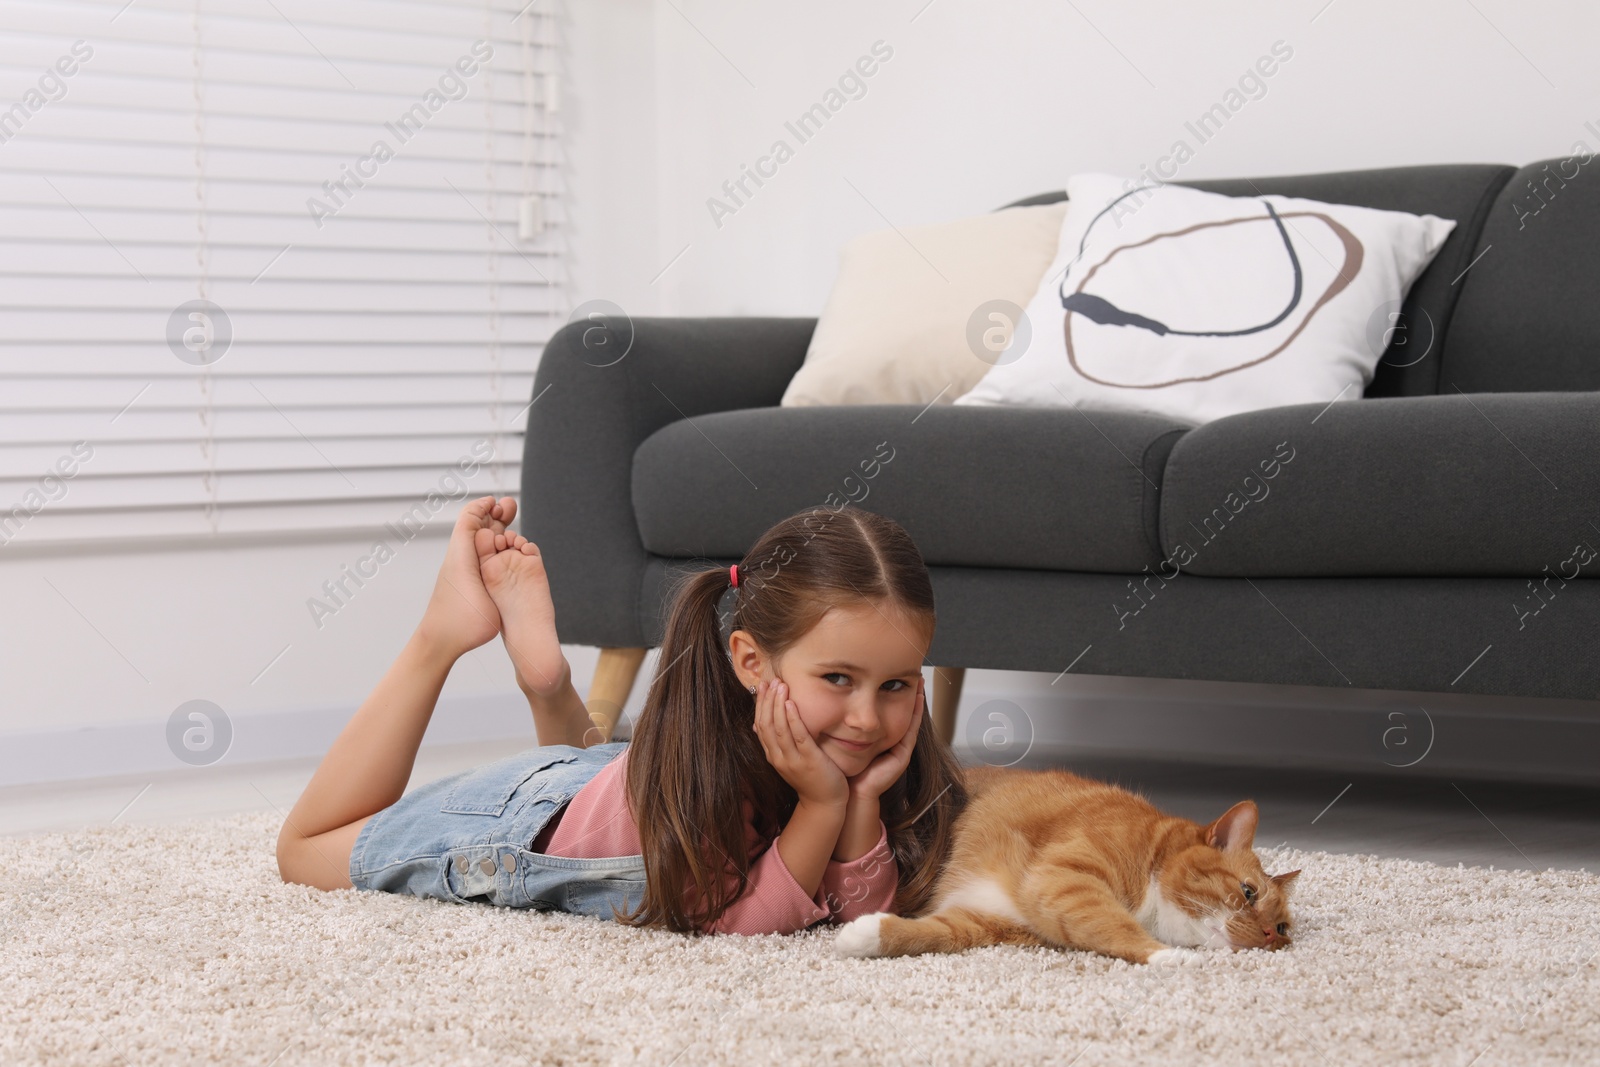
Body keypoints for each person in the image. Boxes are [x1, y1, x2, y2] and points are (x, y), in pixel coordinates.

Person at [276, 496, 967, 935]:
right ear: (752, 663)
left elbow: (864, 917)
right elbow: (742, 925)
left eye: (897, 684)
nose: (868, 717)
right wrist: (823, 804)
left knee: (592, 781)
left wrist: (860, 802)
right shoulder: (710, 784)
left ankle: (548, 683)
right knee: (304, 850)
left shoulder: (846, 756)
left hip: (606, 785)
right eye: (839, 678)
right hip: (524, 821)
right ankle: (439, 635)